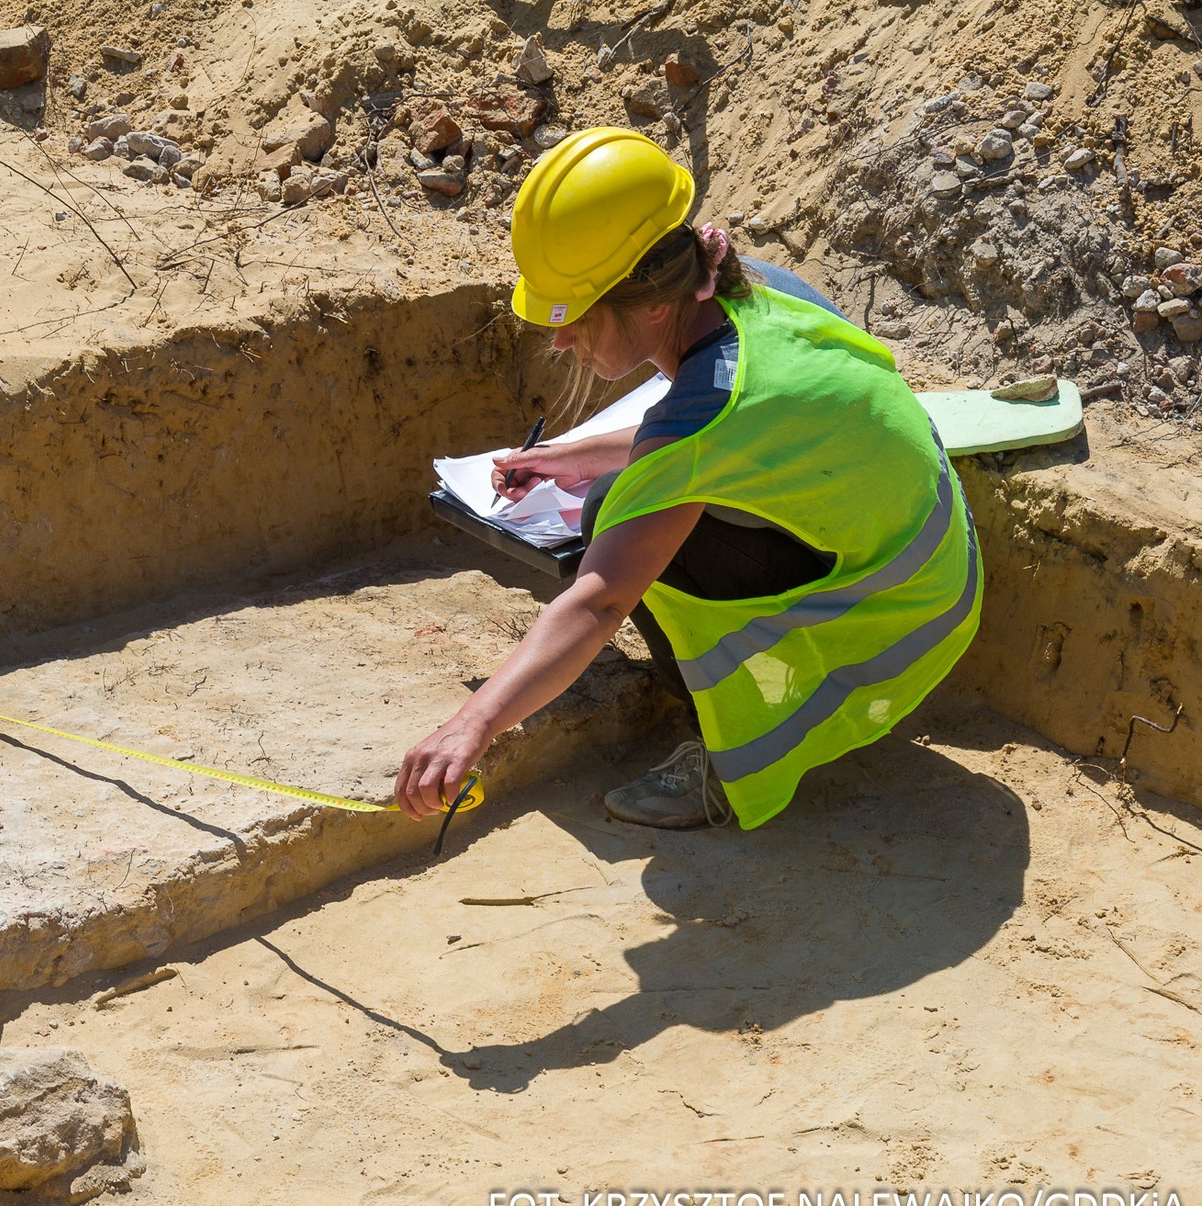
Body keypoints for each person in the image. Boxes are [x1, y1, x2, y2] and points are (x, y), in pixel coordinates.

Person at [396, 127, 982, 830]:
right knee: (622, 488)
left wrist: (474, 724)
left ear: (649, 303)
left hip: (892, 623)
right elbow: (739, 438)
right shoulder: (750, 286)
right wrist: (578, 455)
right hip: (934, 558)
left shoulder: (711, 408)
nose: (560, 339)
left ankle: (727, 763)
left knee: (613, 519)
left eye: (574, 316)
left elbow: (599, 602)